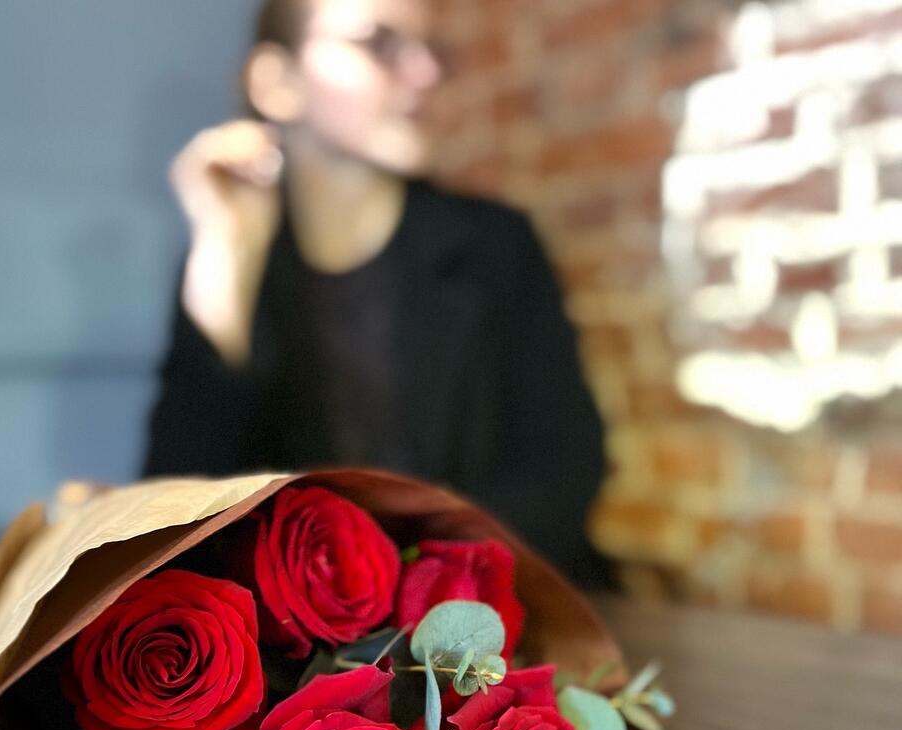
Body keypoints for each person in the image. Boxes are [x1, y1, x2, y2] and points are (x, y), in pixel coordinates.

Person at [143, 0, 610, 588]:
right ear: (277, 83)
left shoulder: (494, 244)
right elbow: (179, 510)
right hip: (301, 634)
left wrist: (410, 599)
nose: (425, 73)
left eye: (428, 49)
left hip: (494, 615)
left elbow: (562, 470)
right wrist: (224, 262)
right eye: (377, 44)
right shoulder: (227, 260)